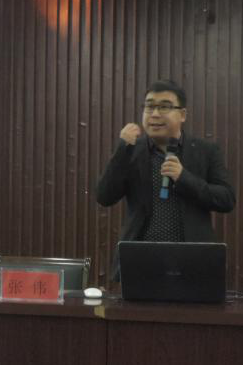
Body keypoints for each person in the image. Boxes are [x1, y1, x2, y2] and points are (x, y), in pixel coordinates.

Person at [95, 80, 235, 264]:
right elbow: (104, 197)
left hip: (192, 259)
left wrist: (184, 178)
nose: (155, 114)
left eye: (164, 107)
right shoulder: (131, 151)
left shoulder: (205, 151)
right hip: (140, 258)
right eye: (149, 107)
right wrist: (122, 150)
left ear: (182, 114)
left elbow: (226, 199)